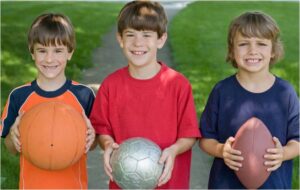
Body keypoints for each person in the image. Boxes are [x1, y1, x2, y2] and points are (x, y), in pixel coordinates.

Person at [90, 1, 201, 189]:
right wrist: (108, 144)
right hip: (124, 183)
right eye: (130, 34)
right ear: (120, 39)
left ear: (161, 39)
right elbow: (102, 129)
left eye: (146, 35)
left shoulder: (178, 85)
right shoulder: (111, 85)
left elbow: (189, 134)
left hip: (169, 182)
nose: (138, 42)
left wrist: (174, 150)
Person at [199, 11, 299, 189]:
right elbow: (205, 139)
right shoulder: (222, 91)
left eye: (261, 44)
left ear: (273, 50)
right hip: (226, 184)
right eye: (244, 44)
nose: (253, 51)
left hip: (274, 185)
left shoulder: (286, 93)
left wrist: (283, 153)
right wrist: (221, 150)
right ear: (232, 49)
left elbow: (297, 140)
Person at [1, 13, 96, 189]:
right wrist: (13, 137)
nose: (49, 59)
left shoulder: (84, 95)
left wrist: (93, 137)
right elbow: (10, 148)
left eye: (58, 50)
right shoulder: (19, 96)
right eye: (42, 50)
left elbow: (91, 145)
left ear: (70, 53)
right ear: (32, 52)